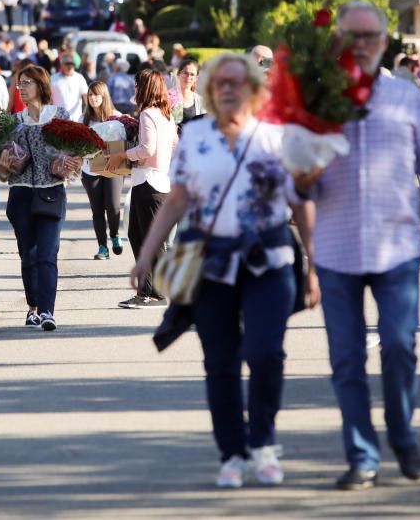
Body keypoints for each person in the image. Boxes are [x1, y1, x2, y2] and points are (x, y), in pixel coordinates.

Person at [130, 53, 318, 489]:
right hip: (212, 265)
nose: (229, 89)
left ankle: (264, 443)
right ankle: (232, 453)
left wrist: (314, 265)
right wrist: (145, 255)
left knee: (266, 353)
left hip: (268, 262)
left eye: (238, 83)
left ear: (254, 90)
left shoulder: (275, 138)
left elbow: (301, 203)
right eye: (221, 84)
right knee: (221, 362)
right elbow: (176, 200)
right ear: (211, 92)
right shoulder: (195, 138)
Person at [301, 0, 420, 490]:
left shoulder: (407, 99)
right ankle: (362, 455)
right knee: (346, 359)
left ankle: (403, 434)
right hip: (336, 248)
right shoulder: (319, 100)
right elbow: (294, 182)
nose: (363, 45)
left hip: (397, 247)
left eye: (371, 37)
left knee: (399, 346)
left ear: (385, 42)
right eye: (353, 36)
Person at [0, 65, 82, 331]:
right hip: (20, 193)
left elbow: (77, 157)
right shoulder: (14, 122)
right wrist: (2, 162)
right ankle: (32, 307)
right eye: (19, 83)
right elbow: (1, 174)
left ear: (41, 86)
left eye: (27, 83)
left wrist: (71, 164)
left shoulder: (60, 117)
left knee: (47, 252)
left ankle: (47, 311)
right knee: (28, 254)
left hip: (51, 192)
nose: (21, 88)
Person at [107, 69, 178, 309]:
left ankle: (147, 292)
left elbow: (147, 148)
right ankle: (154, 291)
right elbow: (174, 145)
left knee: (143, 237)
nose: (134, 90)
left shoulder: (148, 114)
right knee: (146, 237)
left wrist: (122, 155)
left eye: (137, 86)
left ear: (145, 88)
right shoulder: (166, 115)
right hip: (159, 181)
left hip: (147, 183)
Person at [81, 82, 124, 260]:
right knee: (97, 209)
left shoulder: (117, 117)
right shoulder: (83, 120)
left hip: (113, 167)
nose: (93, 98)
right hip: (91, 169)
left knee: (112, 205)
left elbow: (125, 140)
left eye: (96, 94)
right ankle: (102, 247)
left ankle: (114, 234)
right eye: (90, 95)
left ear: (104, 96)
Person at [50, 54, 88, 122]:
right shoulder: (53, 78)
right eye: (67, 63)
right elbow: (48, 99)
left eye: (72, 63)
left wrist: (85, 114)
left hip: (76, 120)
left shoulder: (79, 78)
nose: (70, 66)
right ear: (61, 64)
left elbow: (86, 97)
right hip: (58, 121)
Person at [176, 59, 205, 126]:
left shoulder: (200, 101)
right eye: (185, 73)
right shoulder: (167, 97)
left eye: (192, 74)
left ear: (196, 78)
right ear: (178, 74)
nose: (188, 77)